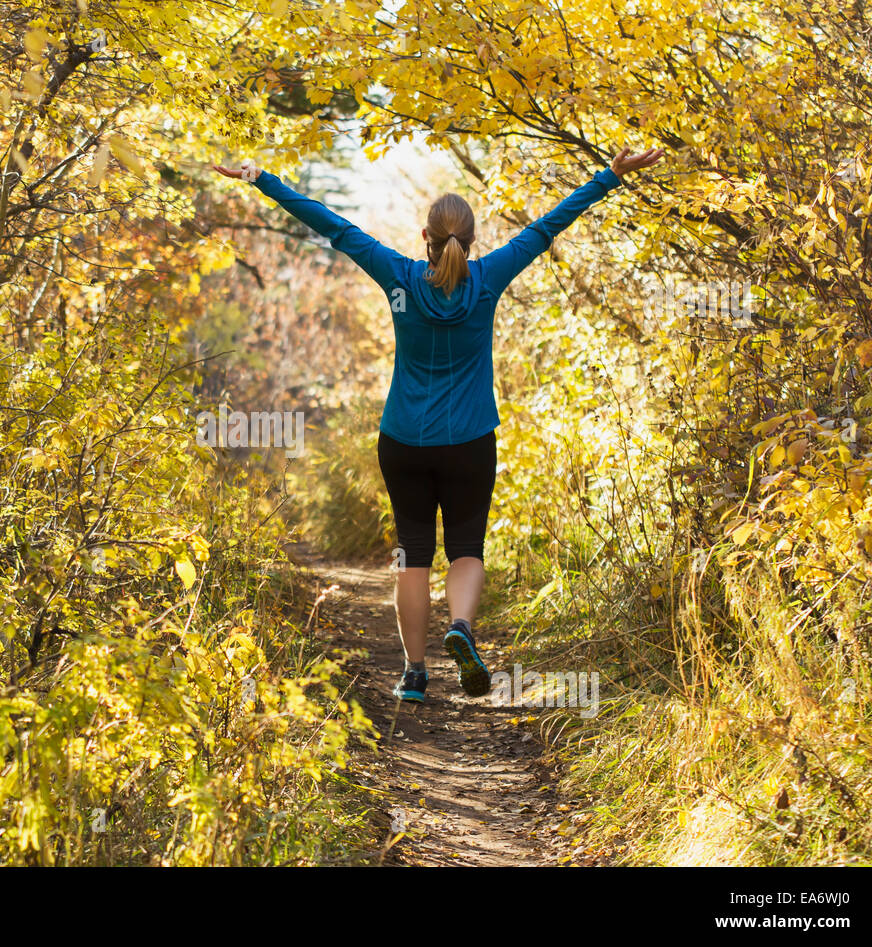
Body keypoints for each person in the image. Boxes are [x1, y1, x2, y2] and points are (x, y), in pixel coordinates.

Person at [213, 147, 665, 702]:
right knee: (467, 546)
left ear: (423, 235)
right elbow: (548, 227)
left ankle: (414, 673)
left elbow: (332, 225)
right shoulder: (488, 278)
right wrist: (609, 176)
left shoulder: (397, 274)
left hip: (403, 440)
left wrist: (261, 178)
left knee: (412, 552)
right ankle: (462, 628)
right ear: (469, 240)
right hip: (470, 440)